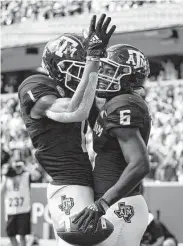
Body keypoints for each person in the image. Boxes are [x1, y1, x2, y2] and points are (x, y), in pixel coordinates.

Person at [18, 14, 116, 246]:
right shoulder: (35, 85)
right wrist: (92, 58)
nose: (84, 72)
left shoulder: (76, 90)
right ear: (58, 67)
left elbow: (103, 127)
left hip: (84, 179)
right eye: (78, 67)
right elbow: (75, 111)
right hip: (68, 182)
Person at [73, 44, 151, 246]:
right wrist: (90, 58)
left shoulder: (124, 104)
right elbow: (99, 128)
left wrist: (103, 203)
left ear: (128, 76)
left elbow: (140, 164)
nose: (103, 75)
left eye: (109, 71)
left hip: (120, 206)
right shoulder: (114, 102)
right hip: (116, 204)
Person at [1, 161, 41, 246]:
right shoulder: (6, 178)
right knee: (11, 235)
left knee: (22, 236)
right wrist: (5, 175)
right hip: (10, 211)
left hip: (23, 209)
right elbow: (1, 192)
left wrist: (25, 167)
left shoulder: (25, 175)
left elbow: (37, 175)